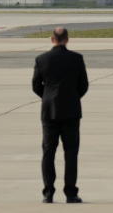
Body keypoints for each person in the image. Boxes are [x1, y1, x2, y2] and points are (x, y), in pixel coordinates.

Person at [32, 27, 89, 203]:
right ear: (67, 39)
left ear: (52, 39)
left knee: (48, 152)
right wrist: (71, 97)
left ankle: (48, 193)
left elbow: (35, 86)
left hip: (49, 112)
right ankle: (70, 193)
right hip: (71, 111)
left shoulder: (42, 59)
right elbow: (83, 85)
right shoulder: (76, 59)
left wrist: (48, 97)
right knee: (71, 153)